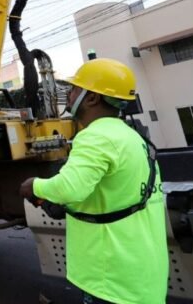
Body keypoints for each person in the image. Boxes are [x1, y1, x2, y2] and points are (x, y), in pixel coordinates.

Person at [19, 58, 167, 304]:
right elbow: (113, 195)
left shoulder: (95, 136)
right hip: (142, 277)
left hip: (111, 281)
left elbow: (67, 189)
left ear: (92, 98)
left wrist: (33, 185)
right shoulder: (132, 137)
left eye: (75, 89)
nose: (69, 94)